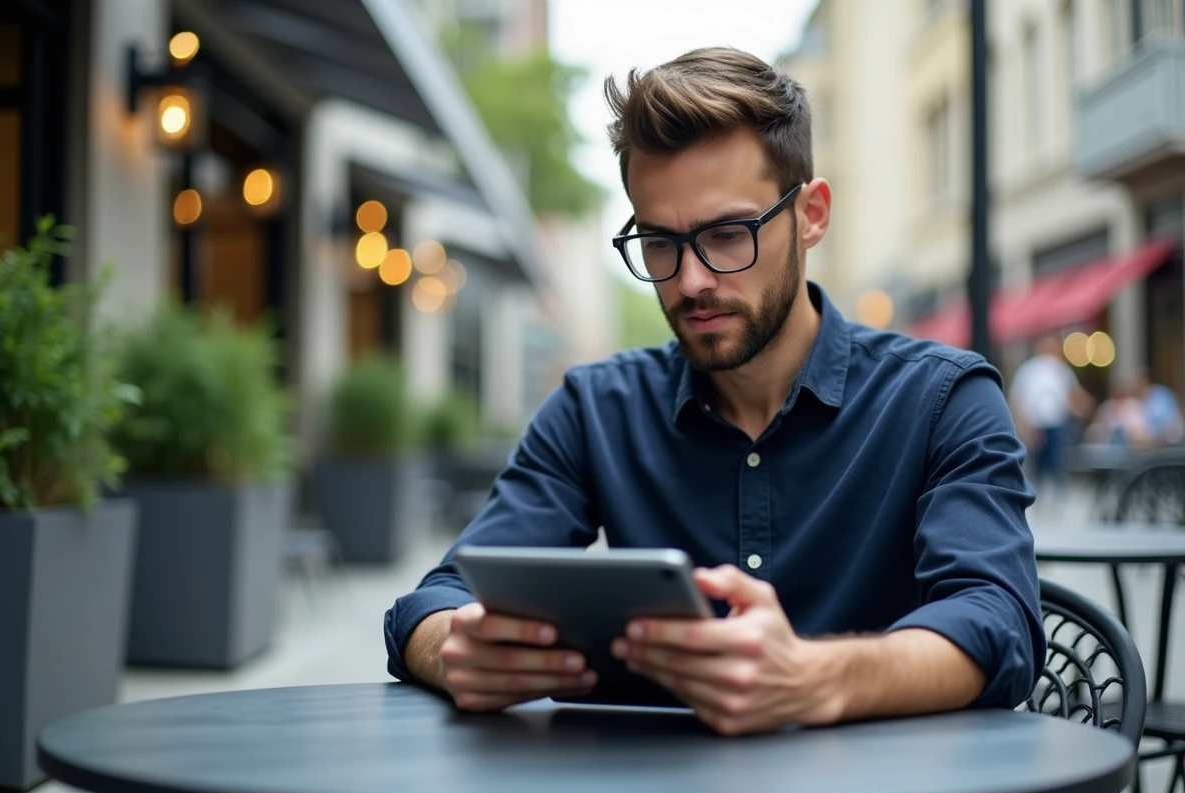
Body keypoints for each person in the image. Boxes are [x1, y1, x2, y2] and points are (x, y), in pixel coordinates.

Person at [384, 48, 1044, 736]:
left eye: (728, 235)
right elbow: (433, 601)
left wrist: (813, 679)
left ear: (811, 215)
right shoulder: (595, 411)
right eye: (660, 243)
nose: (692, 280)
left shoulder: (943, 400)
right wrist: (454, 649)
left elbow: (998, 622)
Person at [1008, 336, 1094, 502]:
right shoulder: (1029, 370)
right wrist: (1024, 424)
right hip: (1037, 424)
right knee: (1039, 462)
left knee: (1057, 460)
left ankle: (1056, 497)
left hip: (1057, 423)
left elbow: (1071, 395)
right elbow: (1019, 399)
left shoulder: (1061, 371)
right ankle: (1038, 496)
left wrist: (1083, 406)